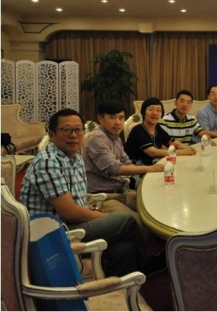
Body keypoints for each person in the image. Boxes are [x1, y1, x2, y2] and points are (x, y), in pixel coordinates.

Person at [20, 109, 149, 277]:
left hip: (71, 223)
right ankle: (149, 266)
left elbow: (77, 200)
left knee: (124, 249)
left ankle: (124, 284)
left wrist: (92, 211)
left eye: (78, 130)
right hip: (54, 233)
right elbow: (69, 212)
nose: (74, 135)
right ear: (52, 135)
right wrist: (101, 216)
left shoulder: (75, 158)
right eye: (67, 130)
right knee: (127, 222)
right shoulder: (48, 162)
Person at [83, 101, 164, 237]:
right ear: (100, 118)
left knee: (156, 207)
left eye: (121, 118)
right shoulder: (96, 138)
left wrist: (146, 170)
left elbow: (126, 161)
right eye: (112, 117)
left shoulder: (115, 137)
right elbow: (114, 169)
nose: (118, 122)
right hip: (102, 197)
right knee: (139, 223)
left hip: (121, 191)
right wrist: (150, 169)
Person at [125, 97, 196, 165]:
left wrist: (188, 149)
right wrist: (184, 152)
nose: (155, 113)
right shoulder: (138, 130)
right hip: (134, 168)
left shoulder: (158, 128)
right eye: (151, 109)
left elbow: (174, 143)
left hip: (152, 165)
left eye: (158, 110)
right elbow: (153, 152)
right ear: (143, 113)